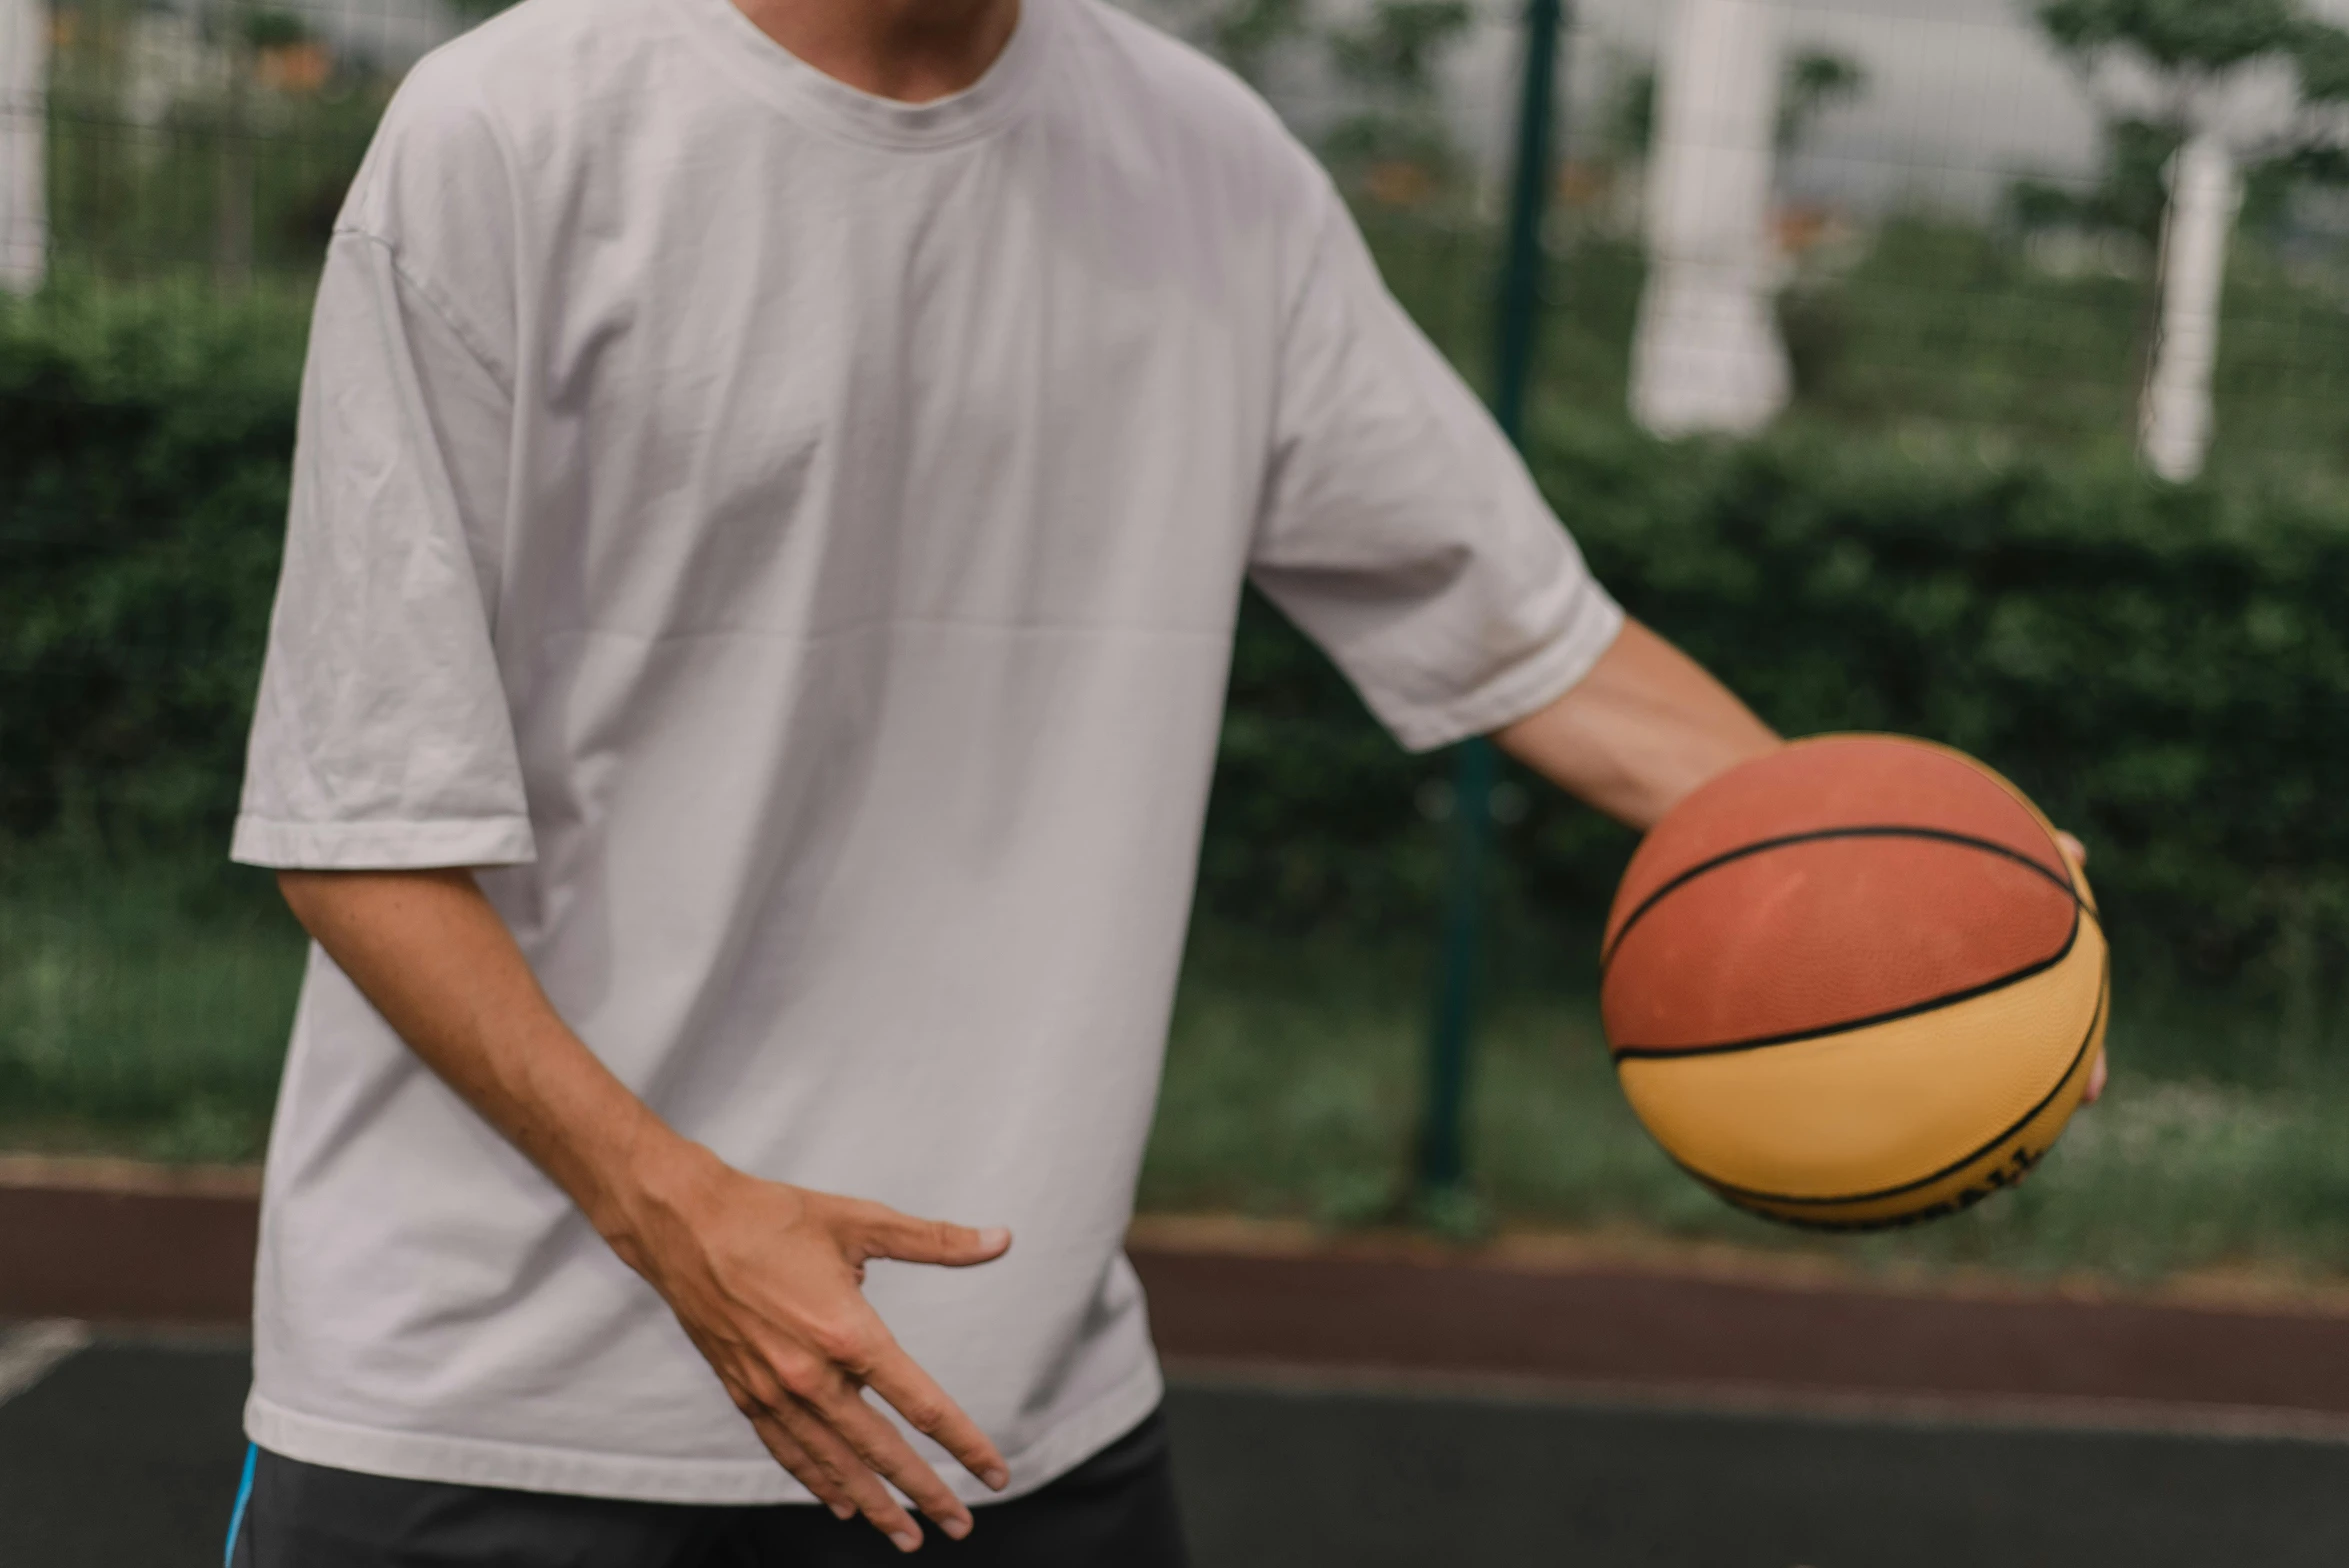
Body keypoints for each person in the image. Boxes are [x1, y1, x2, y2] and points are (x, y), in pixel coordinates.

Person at [218, 0, 1937, 1562]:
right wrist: (678, 1213)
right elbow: (364, 831)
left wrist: (1904, 900)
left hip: (1012, 1437)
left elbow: (1538, 647)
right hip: (496, 1427)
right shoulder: (512, 129)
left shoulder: (1213, 169)